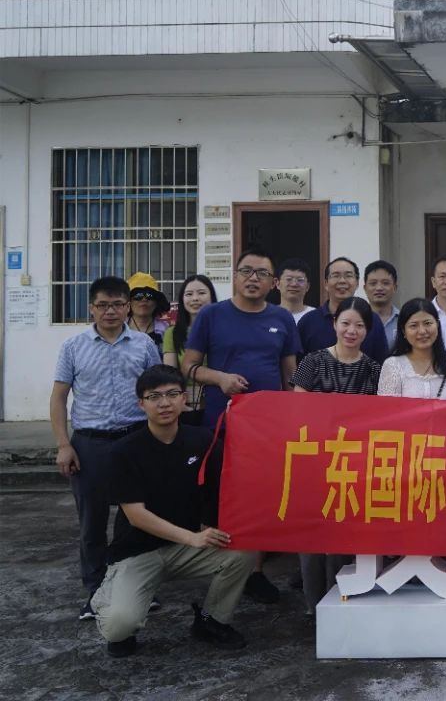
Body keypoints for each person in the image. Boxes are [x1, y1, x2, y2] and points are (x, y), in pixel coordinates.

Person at [91, 365, 256, 657]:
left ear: (184, 399)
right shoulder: (124, 452)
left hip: (186, 549)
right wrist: (192, 537)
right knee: (118, 628)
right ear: (141, 404)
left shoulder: (202, 440)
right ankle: (109, 595)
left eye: (171, 394)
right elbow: (136, 516)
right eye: (154, 397)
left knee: (243, 551)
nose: (164, 403)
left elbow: (227, 486)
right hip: (138, 552)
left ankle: (211, 620)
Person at [182, 248, 300, 604]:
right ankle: (219, 567)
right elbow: (189, 367)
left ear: (273, 282)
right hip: (221, 424)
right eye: (246, 271)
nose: (253, 278)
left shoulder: (282, 318)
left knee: (261, 497)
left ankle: (255, 571)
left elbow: (290, 375)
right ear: (234, 276)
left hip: (268, 428)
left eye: (262, 274)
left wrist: (293, 415)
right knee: (219, 497)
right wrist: (219, 378)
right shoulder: (212, 315)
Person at [50, 275, 161, 620]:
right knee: (92, 522)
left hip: (135, 441)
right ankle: (96, 591)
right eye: (102, 305)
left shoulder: (144, 345)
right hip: (90, 444)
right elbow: (59, 397)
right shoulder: (73, 346)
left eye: (117, 304)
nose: (109, 311)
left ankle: (136, 588)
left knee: (137, 520)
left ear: (127, 307)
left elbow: (156, 390)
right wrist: (64, 444)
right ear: (91, 308)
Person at [291, 297, 382, 613]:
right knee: (311, 536)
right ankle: (313, 606)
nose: (351, 331)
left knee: (344, 537)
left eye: (359, 325)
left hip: (355, 464)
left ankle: (338, 604)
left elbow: (381, 420)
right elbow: (298, 411)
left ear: (367, 330)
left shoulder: (374, 370)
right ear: (334, 324)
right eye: (345, 323)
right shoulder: (313, 362)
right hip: (314, 461)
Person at [297, 257, 388, 361]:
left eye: (348, 276)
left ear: (357, 283)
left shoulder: (372, 319)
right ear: (326, 283)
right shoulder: (308, 321)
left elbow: (382, 363)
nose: (342, 281)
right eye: (336, 275)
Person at [378, 298, 446, 400]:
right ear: (403, 331)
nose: (422, 331)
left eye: (427, 323)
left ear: (437, 325)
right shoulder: (393, 366)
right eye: (413, 325)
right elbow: (388, 407)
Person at [162, 274, 216, 426]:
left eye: (201, 293)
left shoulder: (222, 330)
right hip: (187, 406)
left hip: (219, 401)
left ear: (212, 297)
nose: (195, 299)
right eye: (189, 294)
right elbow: (170, 374)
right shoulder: (172, 333)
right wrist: (178, 402)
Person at [126, 271, 170, 349]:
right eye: (138, 295)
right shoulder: (118, 328)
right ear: (129, 302)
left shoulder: (167, 331)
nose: (144, 299)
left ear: (156, 302)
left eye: (149, 295)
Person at [363, 260, 400, 349]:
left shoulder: (403, 320)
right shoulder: (357, 320)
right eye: (373, 283)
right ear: (365, 288)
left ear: (395, 288)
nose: (379, 288)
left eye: (385, 283)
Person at [276, 258, 314, 324]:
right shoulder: (268, 316)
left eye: (300, 280)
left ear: (307, 286)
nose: (294, 284)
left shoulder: (316, 316)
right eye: (289, 279)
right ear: (277, 283)